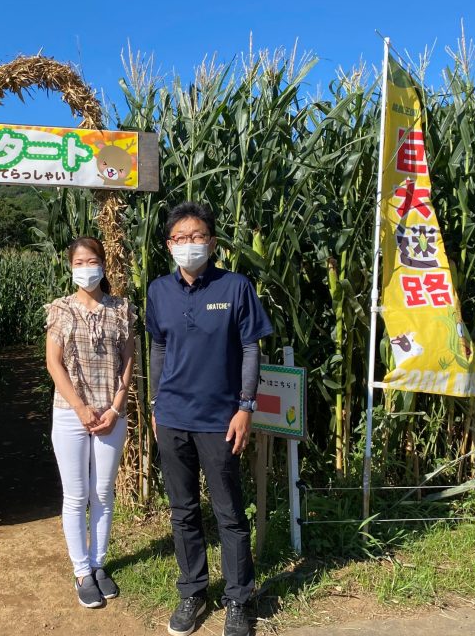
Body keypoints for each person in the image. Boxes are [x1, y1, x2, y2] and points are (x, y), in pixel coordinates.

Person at [146, 202, 273, 636]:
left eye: (197, 236)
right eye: (180, 238)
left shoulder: (235, 287)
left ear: (212, 242)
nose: (189, 244)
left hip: (220, 419)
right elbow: (159, 347)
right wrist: (156, 403)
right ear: (169, 245)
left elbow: (251, 347)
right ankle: (192, 591)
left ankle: (239, 599)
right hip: (172, 416)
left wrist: (245, 406)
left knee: (229, 512)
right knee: (183, 510)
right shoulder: (158, 291)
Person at [45, 236, 136, 608]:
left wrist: (115, 407)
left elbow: (128, 361)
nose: (86, 268)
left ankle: (98, 564)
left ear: (103, 264)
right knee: (76, 495)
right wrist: (81, 408)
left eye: (92, 261)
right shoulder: (60, 309)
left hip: (112, 414)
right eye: (79, 263)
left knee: (102, 493)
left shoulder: (122, 308)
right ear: (71, 268)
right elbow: (54, 363)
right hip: (71, 414)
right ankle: (81, 571)